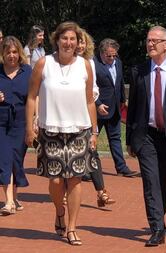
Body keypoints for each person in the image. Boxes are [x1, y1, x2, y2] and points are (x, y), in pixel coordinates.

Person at [25, 21, 98, 246]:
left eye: (73, 39)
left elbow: (89, 100)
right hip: (51, 130)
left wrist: (94, 131)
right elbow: (31, 96)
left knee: (75, 180)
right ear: (57, 40)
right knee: (56, 181)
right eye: (64, 38)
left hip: (79, 131)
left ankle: (72, 227)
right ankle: (59, 210)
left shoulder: (85, 65)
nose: (68, 43)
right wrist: (30, 127)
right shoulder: (43, 63)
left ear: (78, 42)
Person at [126, 26, 166, 246]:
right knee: (150, 181)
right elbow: (133, 107)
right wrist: (130, 140)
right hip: (146, 136)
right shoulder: (138, 71)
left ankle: (159, 219)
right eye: (148, 40)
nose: (150, 44)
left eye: (155, 40)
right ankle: (156, 228)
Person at [74, 28, 115, 207]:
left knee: (93, 152)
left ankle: (101, 193)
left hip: (86, 112)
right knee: (71, 154)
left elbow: (94, 89)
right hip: (67, 115)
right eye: (78, 41)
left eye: (83, 41)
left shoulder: (89, 63)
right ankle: (65, 192)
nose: (81, 45)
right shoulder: (59, 62)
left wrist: (96, 104)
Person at [94, 38, 138, 177]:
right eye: (109, 56)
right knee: (91, 140)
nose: (112, 58)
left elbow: (119, 82)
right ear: (101, 53)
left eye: (114, 55)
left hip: (114, 108)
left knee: (115, 138)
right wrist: (98, 104)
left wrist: (123, 99)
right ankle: (90, 169)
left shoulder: (118, 62)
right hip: (97, 109)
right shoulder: (93, 64)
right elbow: (89, 88)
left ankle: (121, 167)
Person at [0, 36, 31, 215]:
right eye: (7, 52)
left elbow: (35, 97)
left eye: (14, 52)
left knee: (16, 161)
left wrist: (34, 120)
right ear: (2, 54)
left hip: (21, 121)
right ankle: (9, 201)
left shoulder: (27, 71)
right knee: (5, 159)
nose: (11, 56)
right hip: (1, 121)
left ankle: (15, 197)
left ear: (19, 53)